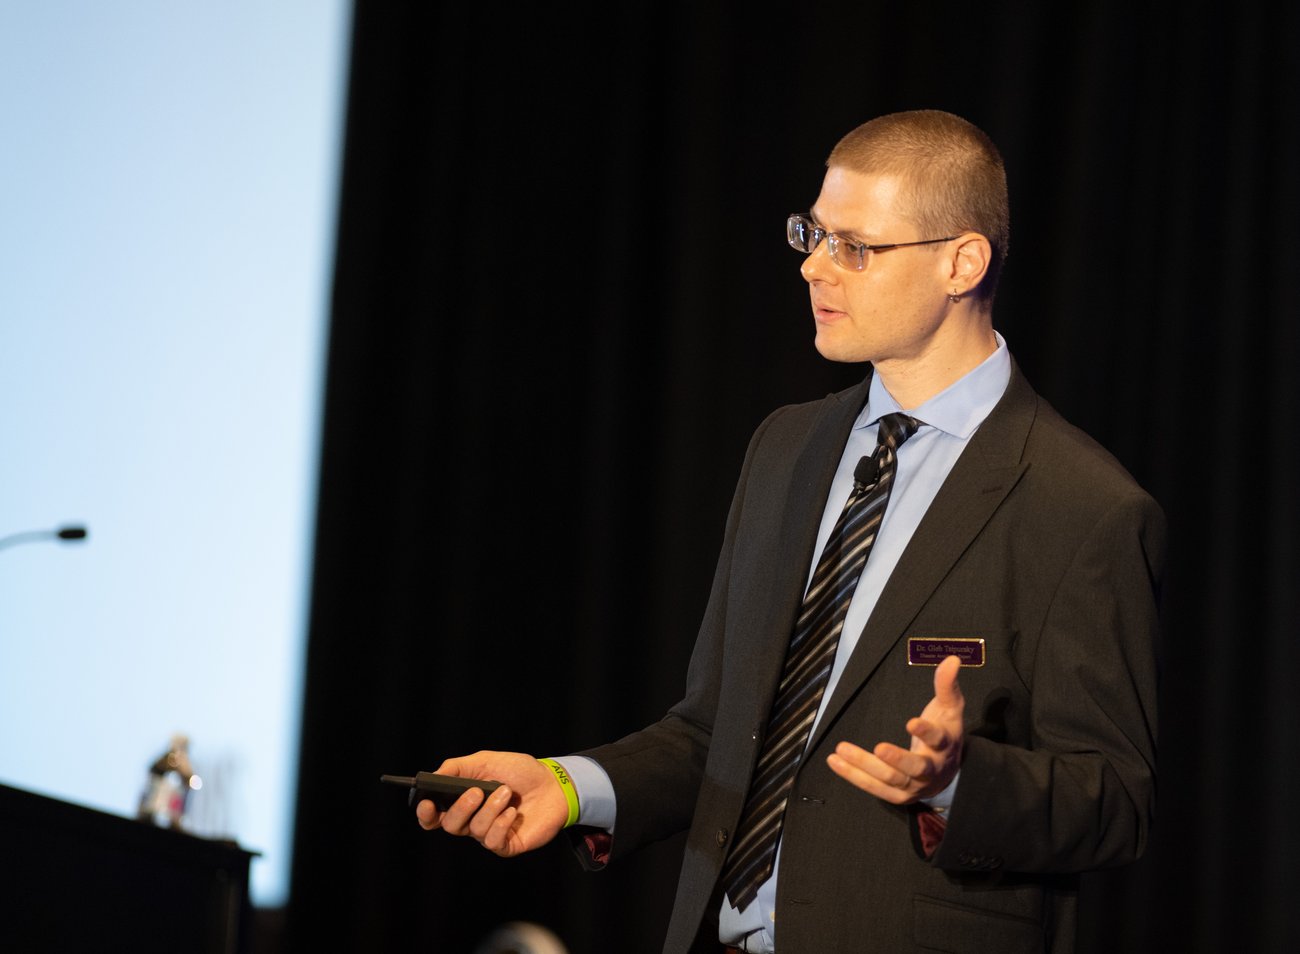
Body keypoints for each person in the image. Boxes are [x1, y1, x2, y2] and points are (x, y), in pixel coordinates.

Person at [416, 109, 1165, 954]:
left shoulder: (1082, 504)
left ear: (963, 262)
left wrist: (958, 785)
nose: (814, 266)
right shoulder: (786, 448)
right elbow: (715, 732)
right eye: (813, 233)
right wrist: (568, 787)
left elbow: (1116, 799)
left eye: (856, 246)